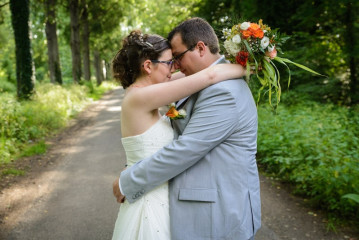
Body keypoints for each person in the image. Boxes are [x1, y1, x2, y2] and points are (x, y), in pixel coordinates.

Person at [111, 29, 247, 240]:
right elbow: (209, 75)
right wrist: (251, 67)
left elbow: (197, 70)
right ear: (148, 66)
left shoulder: (147, 92)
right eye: (168, 63)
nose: (173, 69)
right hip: (149, 200)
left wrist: (230, 56)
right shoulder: (140, 97)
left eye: (175, 61)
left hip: (162, 195)